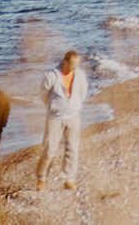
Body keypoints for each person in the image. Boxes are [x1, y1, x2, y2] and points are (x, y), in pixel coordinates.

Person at [36, 50, 89, 192]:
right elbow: (43, 93)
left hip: (73, 116)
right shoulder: (52, 76)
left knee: (72, 148)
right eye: (72, 65)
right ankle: (41, 177)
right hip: (55, 117)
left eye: (76, 66)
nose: (74, 68)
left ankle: (69, 179)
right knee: (49, 149)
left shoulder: (80, 75)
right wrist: (54, 106)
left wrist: (74, 105)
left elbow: (82, 92)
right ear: (65, 62)